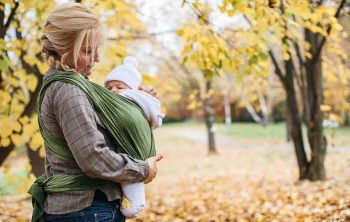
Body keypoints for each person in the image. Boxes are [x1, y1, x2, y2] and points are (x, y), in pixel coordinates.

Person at [28, 3, 162, 222]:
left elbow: (110, 126)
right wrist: (142, 170)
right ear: (64, 50)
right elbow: (93, 156)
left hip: (84, 210)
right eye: (87, 51)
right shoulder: (68, 90)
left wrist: (139, 103)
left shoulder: (72, 86)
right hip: (85, 210)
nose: (97, 58)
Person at [104, 56, 165, 218]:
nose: (114, 91)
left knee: (131, 175)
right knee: (126, 175)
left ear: (132, 88)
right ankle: (131, 203)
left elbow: (152, 114)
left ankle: (136, 204)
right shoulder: (108, 103)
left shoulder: (134, 98)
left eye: (119, 86)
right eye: (109, 87)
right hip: (122, 146)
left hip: (133, 146)